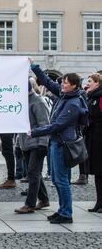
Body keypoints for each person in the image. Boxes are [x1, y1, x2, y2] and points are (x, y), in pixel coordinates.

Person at [29, 58, 87, 224]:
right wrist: (34, 66)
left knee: (62, 181)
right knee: (56, 179)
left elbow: (57, 125)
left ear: (74, 85)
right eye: (62, 82)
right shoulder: (64, 94)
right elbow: (47, 81)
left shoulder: (73, 103)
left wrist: (34, 132)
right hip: (56, 142)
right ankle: (62, 210)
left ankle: (66, 213)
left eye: (66, 83)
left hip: (63, 144)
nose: (62, 84)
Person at [15, 79, 51, 214]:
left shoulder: (38, 102)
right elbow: (21, 126)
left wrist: (43, 144)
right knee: (34, 172)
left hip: (36, 143)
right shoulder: (23, 102)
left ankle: (29, 204)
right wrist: (18, 144)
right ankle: (44, 199)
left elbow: (44, 124)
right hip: (27, 143)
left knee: (32, 173)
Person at [84, 73, 102, 213]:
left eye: (90, 81)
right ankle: (99, 202)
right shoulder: (91, 97)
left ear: (98, 83)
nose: (87, 83)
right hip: (93, 138)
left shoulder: (100, 98)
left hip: (99, 138)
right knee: (97, 172)